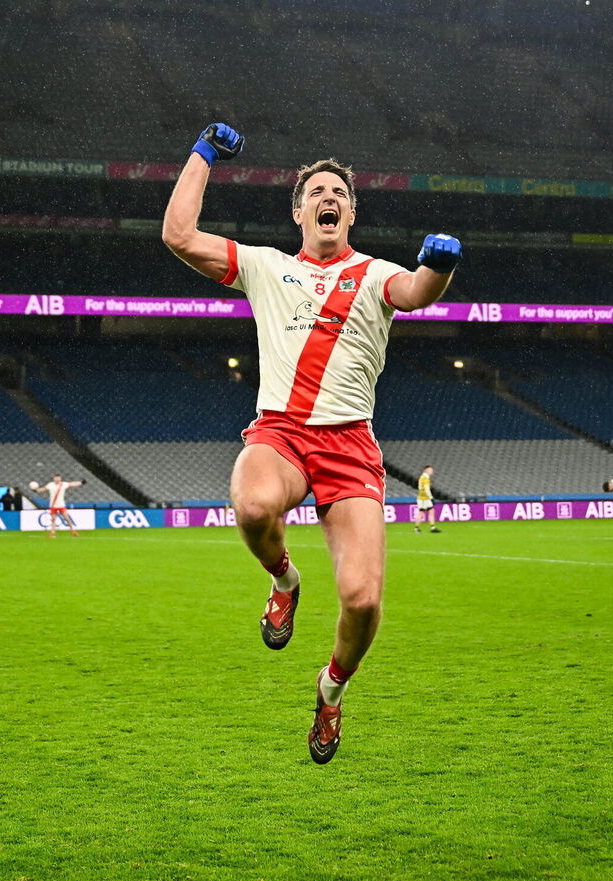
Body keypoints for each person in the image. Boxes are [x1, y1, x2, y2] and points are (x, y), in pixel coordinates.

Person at [162, 122, 461, 764]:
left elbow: (415, 293)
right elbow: (178, 237)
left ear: (351, 212)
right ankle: (286, 580)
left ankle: (330, 691)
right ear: (299, 211)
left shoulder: (377, 274)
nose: (329, 198)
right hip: (281, 432)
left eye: (340, 193)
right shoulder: (267, 267)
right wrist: (203, 153)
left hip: (350, 446)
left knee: (363, 599)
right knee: (252, 504)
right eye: (317, 192)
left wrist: (439, 265)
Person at [30, 473, 87, 538]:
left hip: (61, 505)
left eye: (58, 477)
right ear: (54, 478)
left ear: (60, 478)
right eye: (56, 477)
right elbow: (43, 489)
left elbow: (72, 484)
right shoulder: (50, 485)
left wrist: (81, 482)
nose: (57, 479)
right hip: (53, 506)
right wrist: (36, 490)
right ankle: (52, 533)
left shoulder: (63, 484)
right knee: (53, 519)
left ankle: (73, 531)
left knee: (67, 518)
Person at [414, 465, 439, 534]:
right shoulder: (425, 478)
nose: (432, 471)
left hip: (423, 498)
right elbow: (426, 489)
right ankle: (416, 528)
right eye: (431, 470)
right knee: (421, 513)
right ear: (426, 470)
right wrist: (431, 497)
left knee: (431, 511)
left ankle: (432, 527)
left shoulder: (422, 477)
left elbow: (420, 487)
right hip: (424, 499)